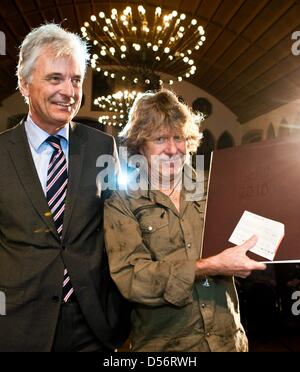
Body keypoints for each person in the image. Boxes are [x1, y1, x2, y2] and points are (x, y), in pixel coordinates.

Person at [104, 89, 266, 352]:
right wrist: (207, 266)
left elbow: (247, 244)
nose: (172, 149)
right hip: (167, 347)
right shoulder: (122, 203)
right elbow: (133, 278)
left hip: (228, 342)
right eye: (160, 139)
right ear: (140, 145)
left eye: (178, 137)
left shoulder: (214, 190)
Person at [0, 24, 129, 352]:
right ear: (24, 84)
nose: (69, 91)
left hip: (92, 324)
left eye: (75, 80)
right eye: (55, 78)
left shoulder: (102, 147)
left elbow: (119, 229)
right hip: (19, 325)